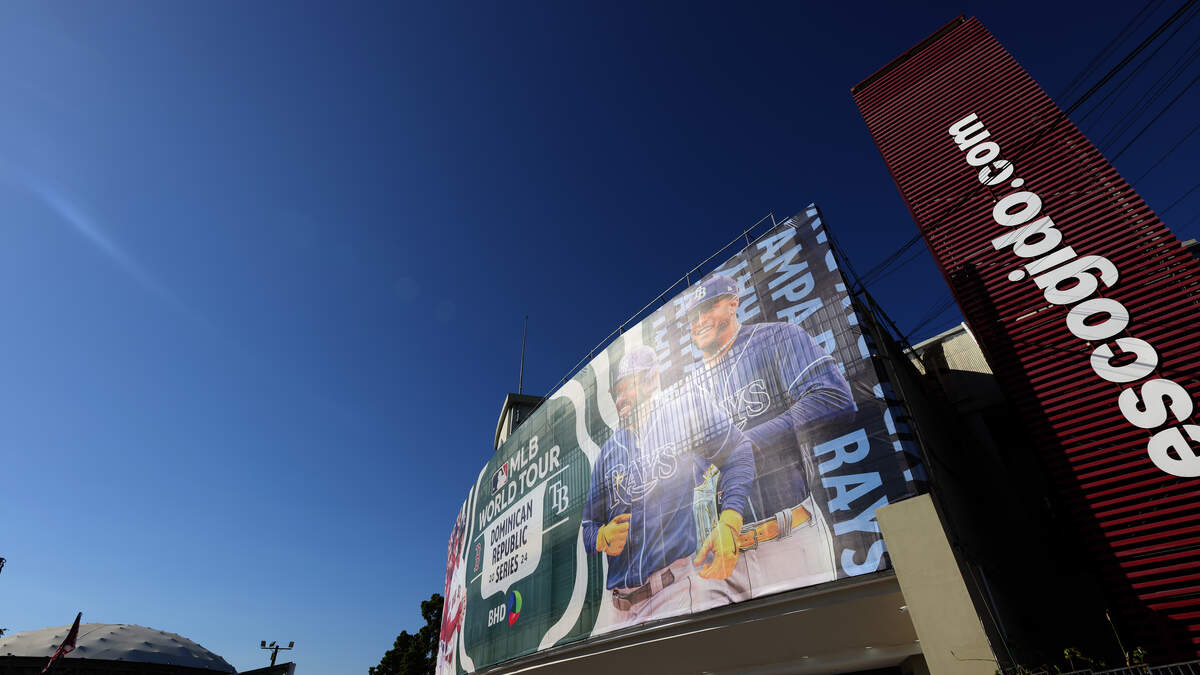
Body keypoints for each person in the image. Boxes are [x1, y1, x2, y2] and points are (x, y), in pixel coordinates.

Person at [685, 274, 855, 594]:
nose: (700, 320)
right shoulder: (690, 388)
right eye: (693, 316)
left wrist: (746, 443)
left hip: (787, 535)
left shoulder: (776, 337)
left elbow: (833, 398)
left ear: (733, 303)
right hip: (719, 550)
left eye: (709, 307)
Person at [582, 344, 756, 630]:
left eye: (627, 387)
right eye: (616, 392)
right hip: (618, 608)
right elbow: (588, 525)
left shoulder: (682, 413)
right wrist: (601, 537)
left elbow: (738, 451)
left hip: (671, 589)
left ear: (651, 380)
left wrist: (730, 520)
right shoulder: (607, 454)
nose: (620, 399)